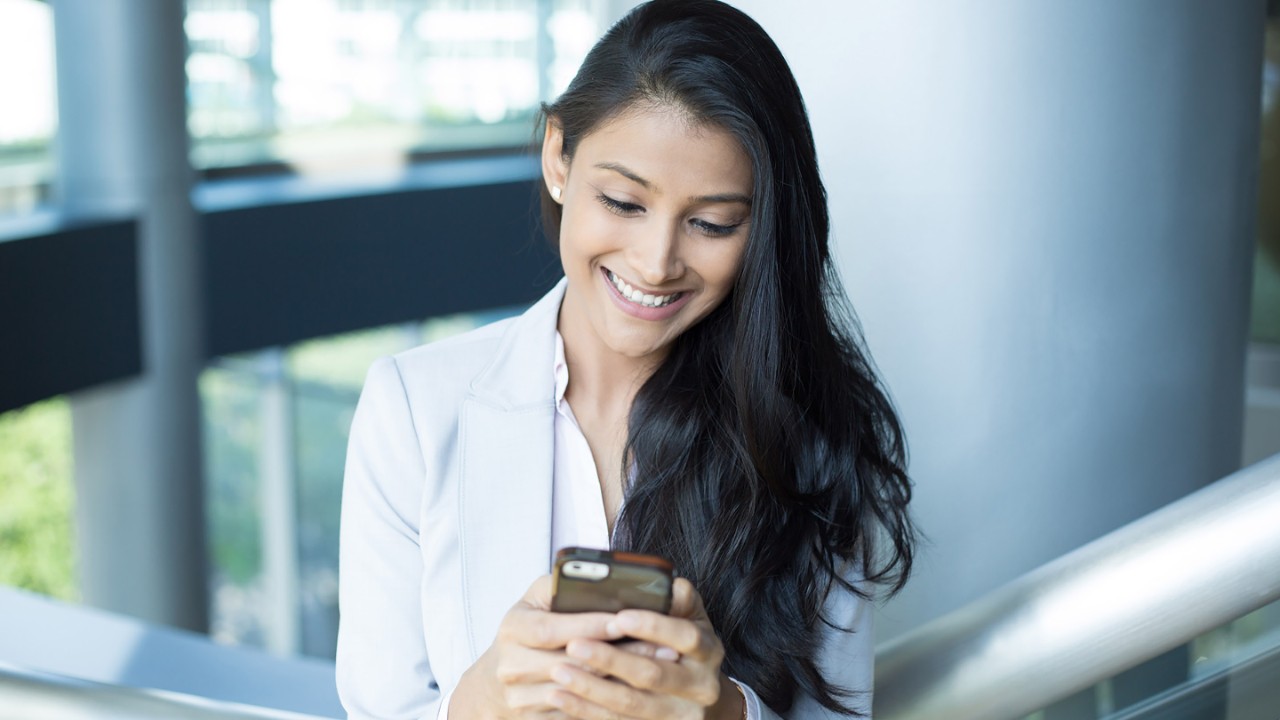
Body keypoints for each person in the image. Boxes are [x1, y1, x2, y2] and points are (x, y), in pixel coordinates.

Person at [336, 1, 915, 718]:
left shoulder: (807, 434)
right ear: (558, 157)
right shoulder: (413, 409)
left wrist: (724, 712)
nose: (656, 261)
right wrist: (478, 702)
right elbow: (378, 707)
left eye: (712, 223)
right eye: (622, 201)